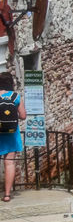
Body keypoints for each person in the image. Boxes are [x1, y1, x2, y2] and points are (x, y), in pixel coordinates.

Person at [0, 72, 26, 202]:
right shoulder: (15, 96)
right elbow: (23, 116)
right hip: (11, 134)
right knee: (9, 163)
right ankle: (7, 195)